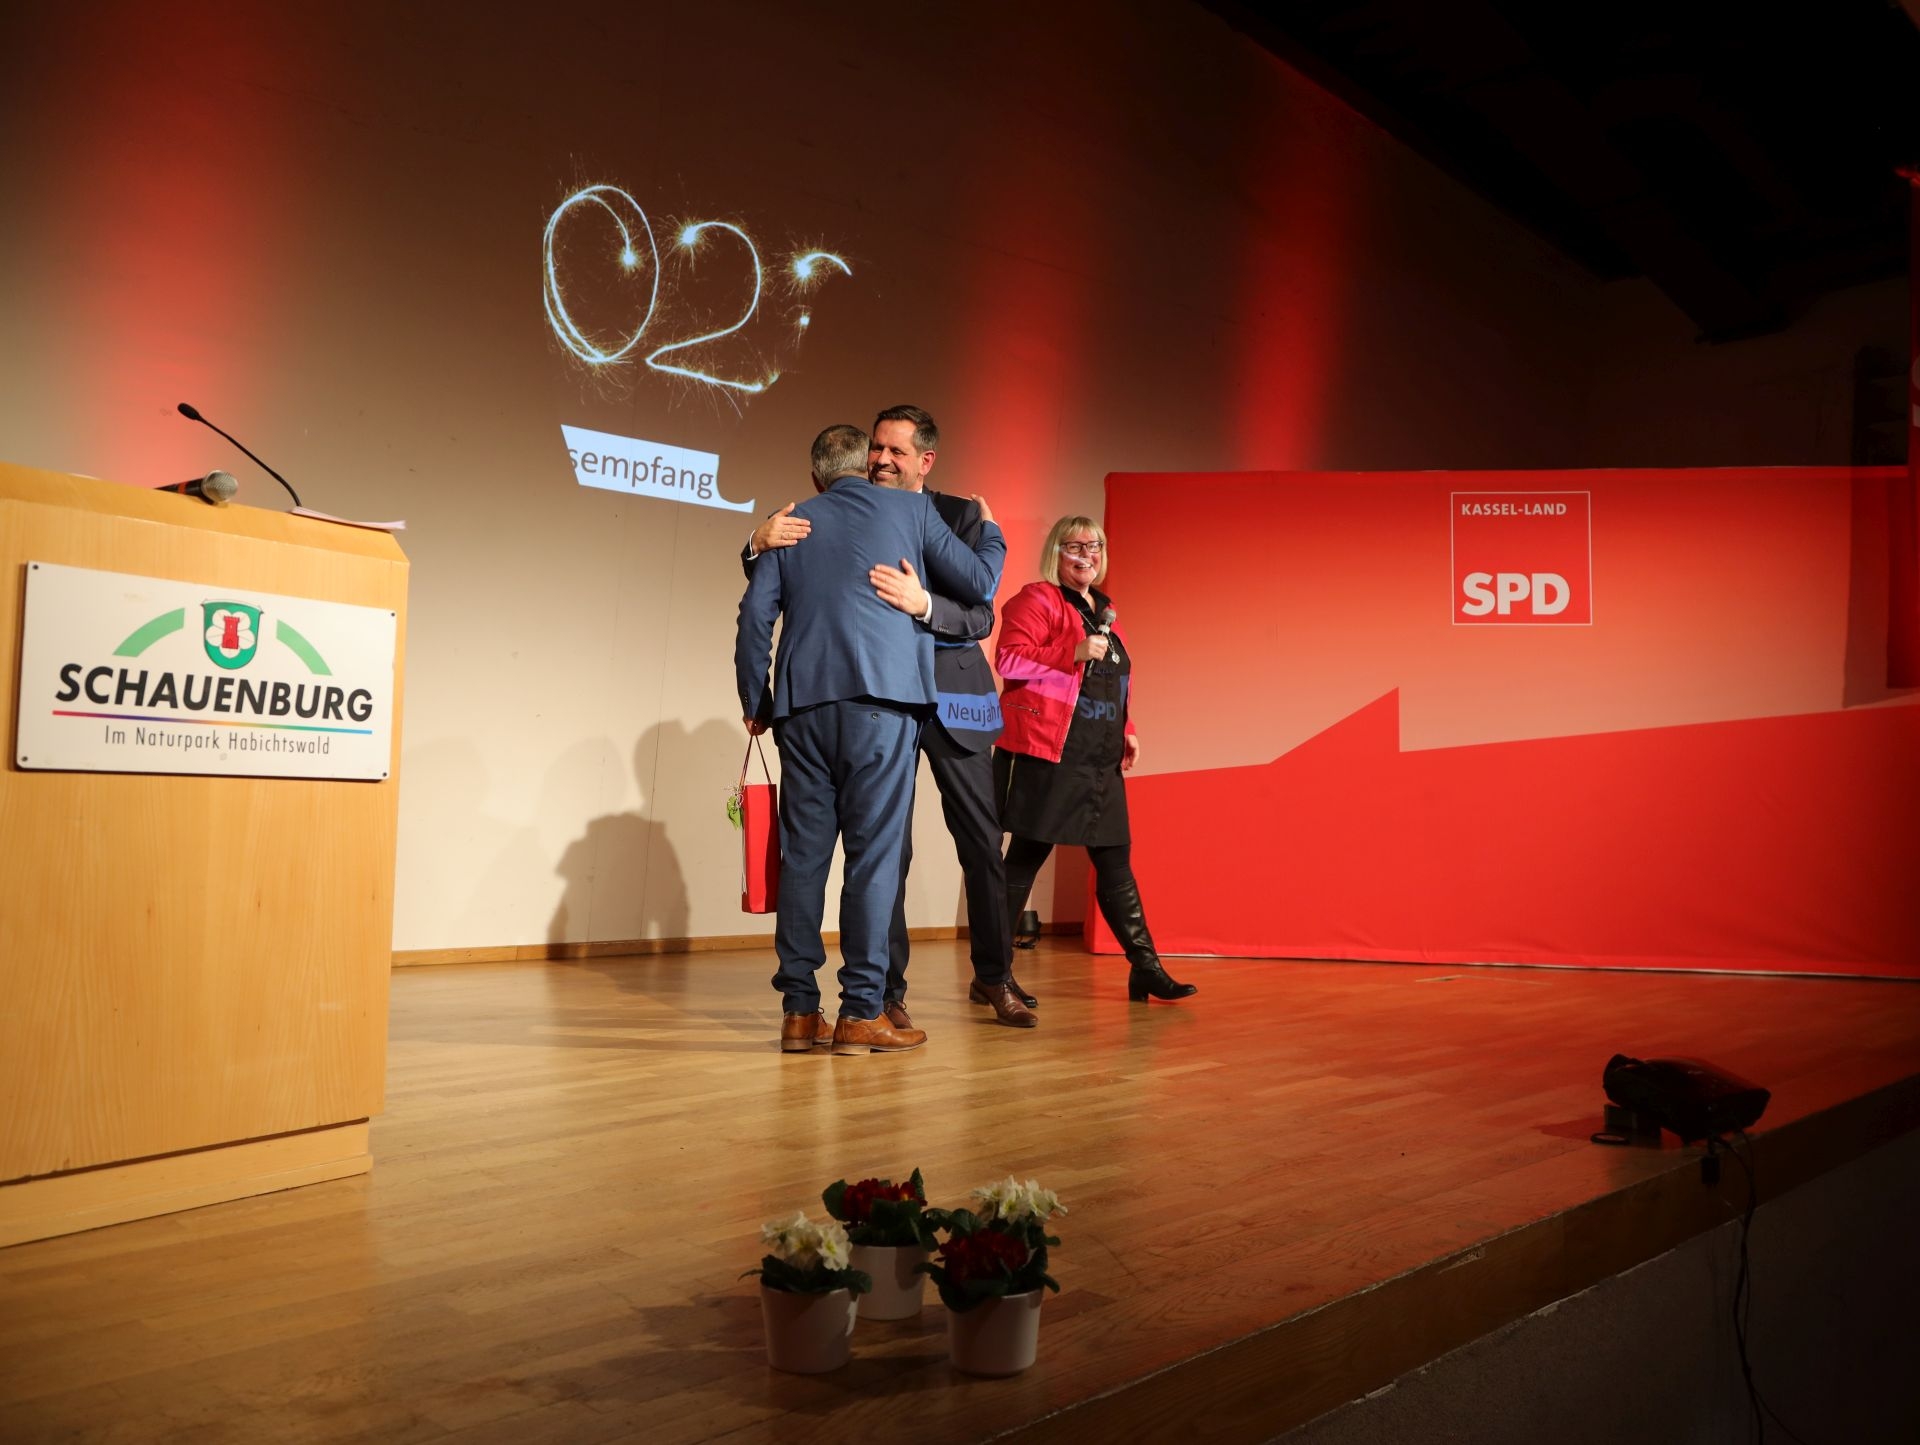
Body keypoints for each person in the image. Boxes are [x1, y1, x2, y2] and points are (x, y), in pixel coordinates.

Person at [749, 406, 1036, 1029]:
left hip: (950, 697)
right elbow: (777, 564)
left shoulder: (957, 515)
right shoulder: (823, 513)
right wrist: (755, 540)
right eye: (875, 448)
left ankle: (994, 976)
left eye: (895, 452)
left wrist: (925, 604)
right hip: (878, 699)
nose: (880, 459)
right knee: (886, 852)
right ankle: (883, 995)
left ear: (925, 461)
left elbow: (982, 612)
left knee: (979, 840)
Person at [993, 516, 1197, 1003]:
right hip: (1050, 751)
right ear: (1056, 553)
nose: (1088, 554)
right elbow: (1008, 660)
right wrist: (1073, 650)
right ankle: (993, 973)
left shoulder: (1106, 611)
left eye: (1096, 545)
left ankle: (1145, 968)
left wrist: (1126, 728)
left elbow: (1112, 680)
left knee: (1114, 860)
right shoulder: (1037, 600)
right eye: (1076, 546)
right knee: (1025, 857)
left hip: (1099, 759)